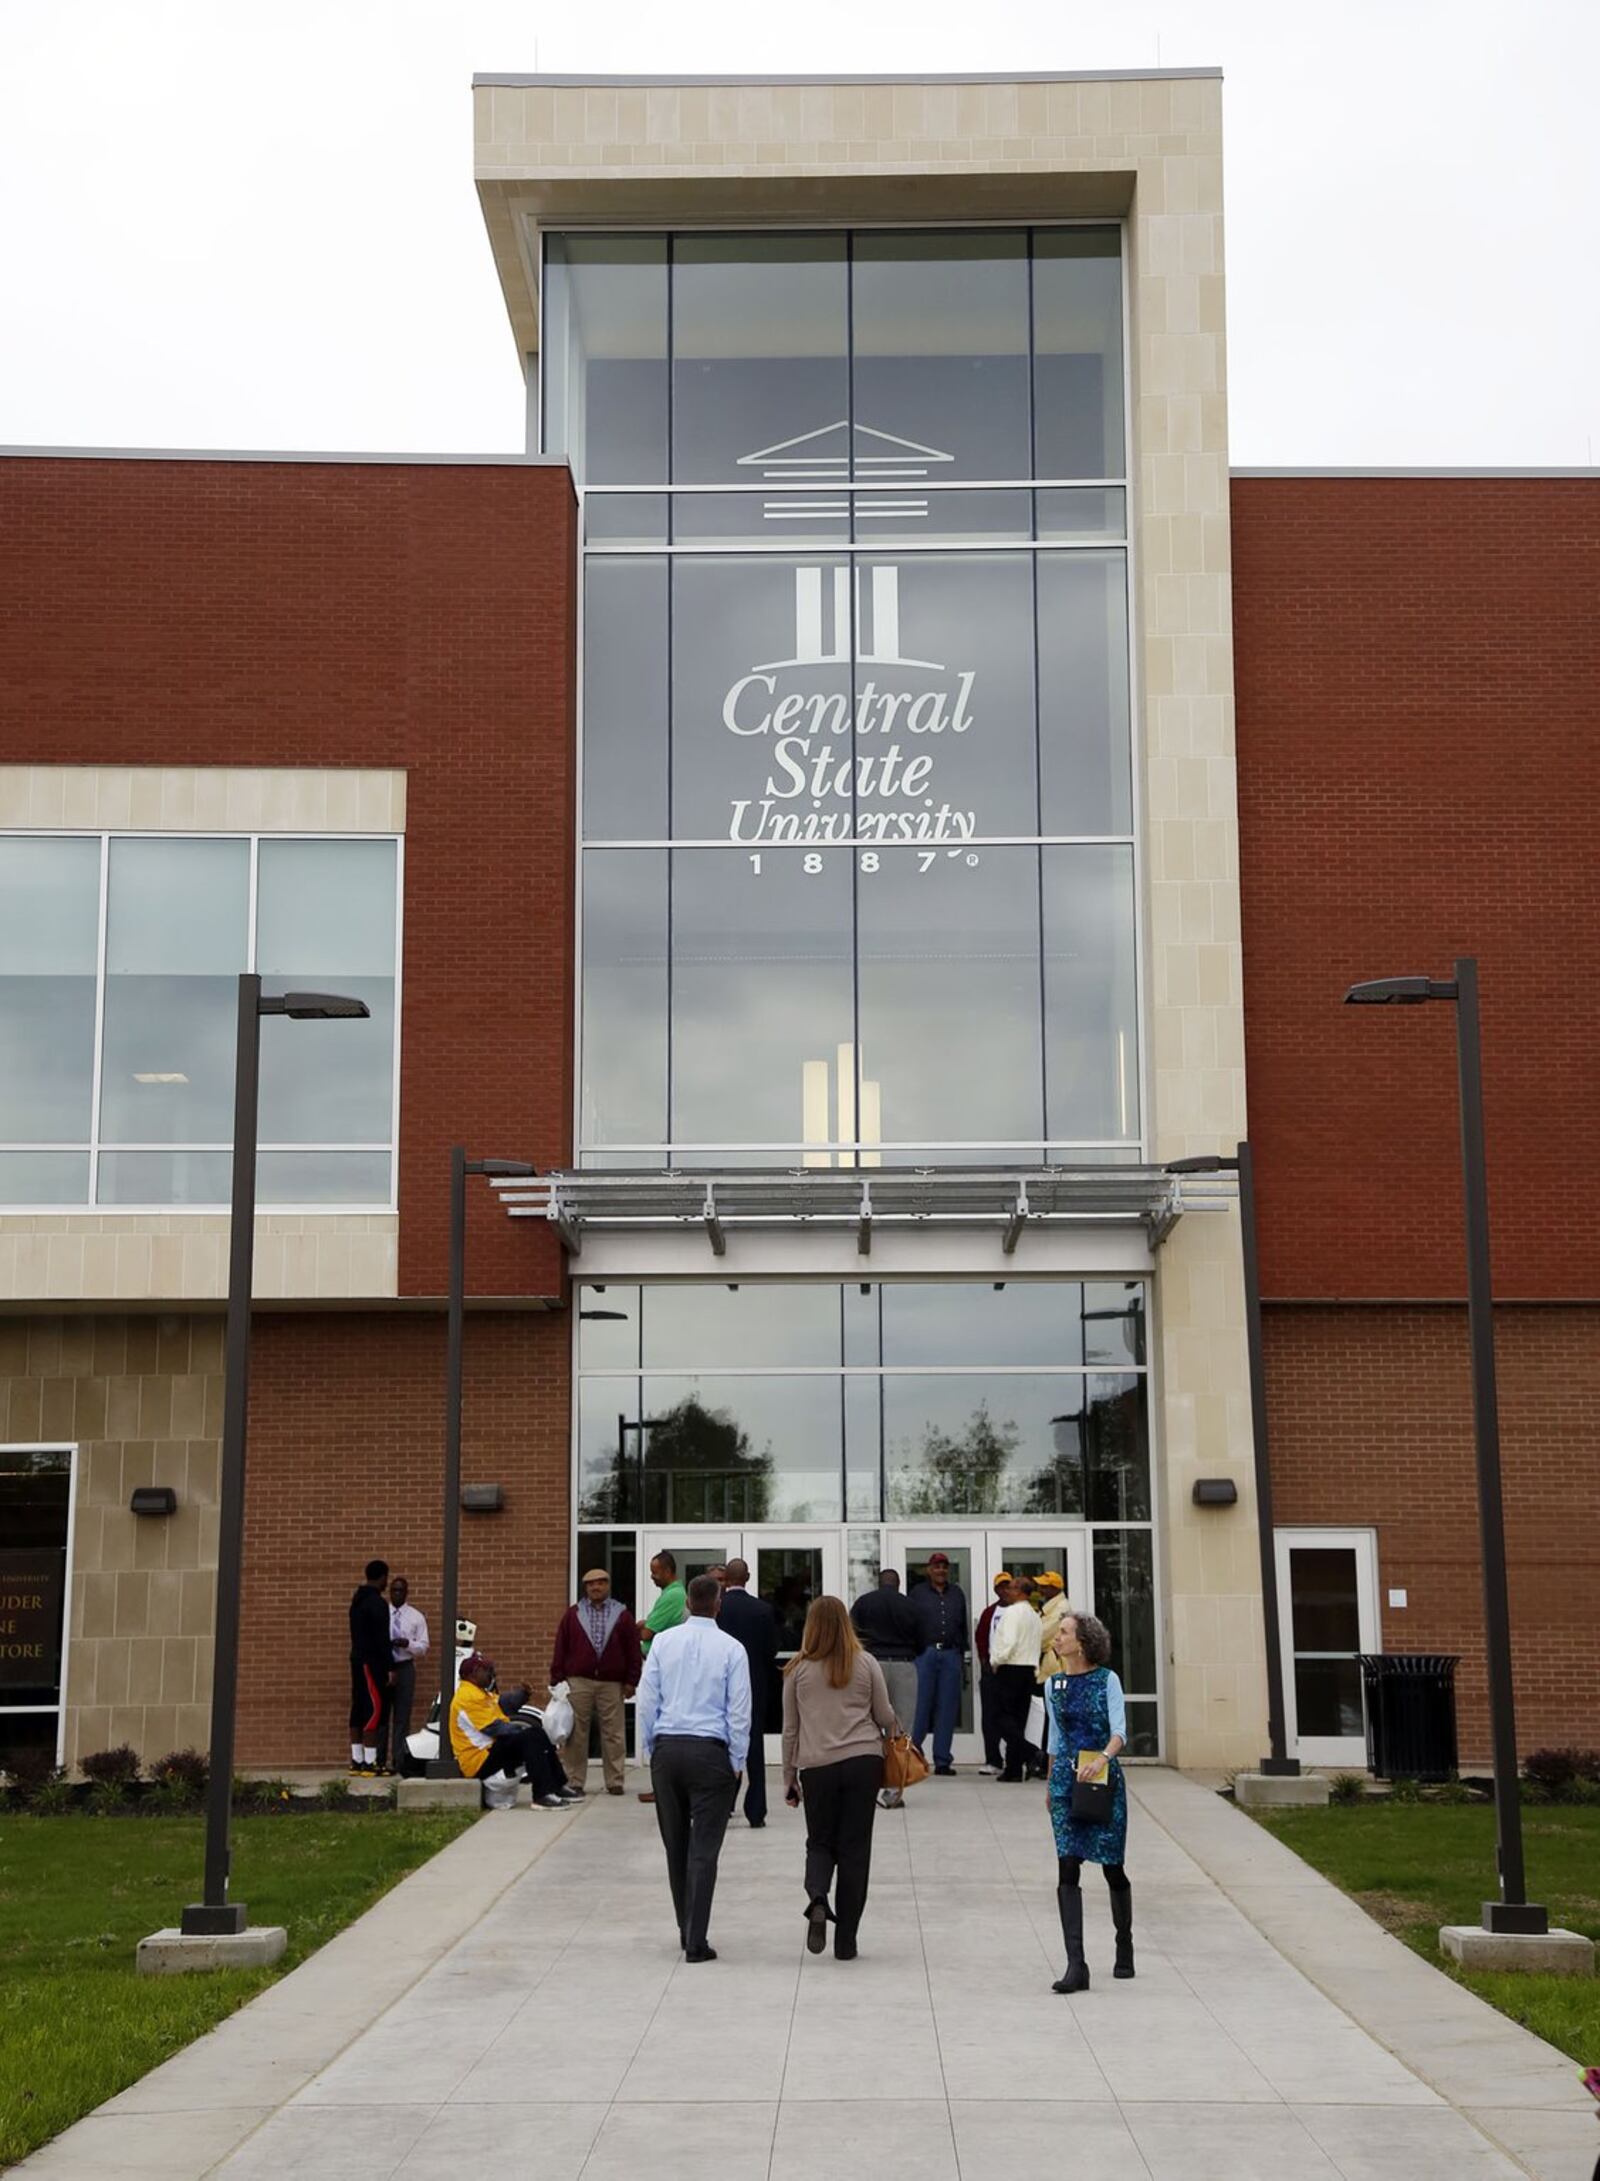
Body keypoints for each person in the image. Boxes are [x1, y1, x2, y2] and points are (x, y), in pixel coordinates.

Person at [636, 1571, 751, 1962]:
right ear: (718, 1603)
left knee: (676, 1845)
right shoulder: (733, 1649)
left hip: (668, 1750)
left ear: (687, 1602)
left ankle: (685, 1926)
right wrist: (736, 1760)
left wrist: (652, 1746)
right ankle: (696, 1940)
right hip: (710, 1752)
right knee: (704, 1850)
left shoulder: (663, 1642)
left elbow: (647, 1699)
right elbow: (739, 1712)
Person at [782, 1596, 899, 1961]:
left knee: (819, 1842)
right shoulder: (865, 1663)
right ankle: (846, 1941)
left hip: (817, 1766)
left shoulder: (797, 1669)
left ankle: (818, 1897)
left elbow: (790, 1729)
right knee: (854, 1850)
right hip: (863, 1762)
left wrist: (789, 1777)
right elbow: (883, 1714)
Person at [1043, 1610, 1131, 1992]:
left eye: (1063, 1633)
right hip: (1066, 1779)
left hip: (1102, 1776)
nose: (1057, 1639)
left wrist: (1101, 1760)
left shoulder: (1106, 1680)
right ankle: (1076, 1965)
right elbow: (1056, 1740)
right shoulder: (1054, 1685)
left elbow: (1120, 1732)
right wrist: (1049, 1783)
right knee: (1067, 1865)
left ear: (1083, 1642)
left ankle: (1123, 1941)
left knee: (1112, 1865)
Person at [550, 1568, 642, 1796]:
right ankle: (575, 1781)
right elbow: (561, 1646)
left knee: (614, 1732)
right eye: (591, 1584)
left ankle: (615, 1781)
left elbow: (632, 1649)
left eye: (600, 1583)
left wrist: (632, 1680)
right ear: (585, 1588)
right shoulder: (573, 1615)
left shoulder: (622, 1615)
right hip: (578, 1681)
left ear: (608, 1585)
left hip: (612, 1682)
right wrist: (557, 1678)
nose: (596, 1587)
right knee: (576, 1734)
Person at [449, 1650, 577, 1807]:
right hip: (478, 1761)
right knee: (530, 1737)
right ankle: (542, 1795)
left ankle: (557, 1786)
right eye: (486, 1671)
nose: (491, 1674)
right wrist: (521, 1733)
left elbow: (502, 1703)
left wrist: (522, 1695)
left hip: (490, 1751)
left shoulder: (479, 1692)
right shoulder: (467, 1697)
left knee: (537, 1733)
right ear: (474, 1673)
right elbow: (493, 1728)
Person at [715, 1558, 781, 1827]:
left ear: (725, 1580)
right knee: (753, 1746)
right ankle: (756, 1811)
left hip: (720, 1687)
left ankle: (723, 1804)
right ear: (748, 1577)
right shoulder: (763, 1610)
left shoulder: (717, 1610)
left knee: (721, 1745)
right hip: (754, 1686)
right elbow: (771, 1651)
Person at [850, 1568, 920, 1808]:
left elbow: (852, 1633)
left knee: (868, 1725)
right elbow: (923, 1637)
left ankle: (867, 1786)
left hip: (871, 1664)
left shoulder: (864, 1603)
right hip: (903, 1665)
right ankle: (893, 1792)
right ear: (898, 1584)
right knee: (901, 1728)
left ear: (878, 1583)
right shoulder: (910, 1605)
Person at [635, 1551, 689, 1805]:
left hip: (662, 1669)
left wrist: (641, 1627)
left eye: (655, 1571)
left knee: (657, 1723)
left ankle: (664, 1787)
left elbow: (647, 1633)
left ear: (668, 1571)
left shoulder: (673, 1595)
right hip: (665, 1666)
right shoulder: (671, 1595)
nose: (652, 1577)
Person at [908, 1551, 968, 1775]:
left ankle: (942, 1760)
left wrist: (963, 1655)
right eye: (936, 1567)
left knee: (947, 1708)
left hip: (951, 1654)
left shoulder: (957, 1593)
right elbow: (910, 1623)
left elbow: (962, 1626)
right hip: (926, 1654)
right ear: (928, 1570)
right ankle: (913, 1756)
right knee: (921, 1706)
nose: (940, 1570)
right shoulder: (917, 1593)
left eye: (944, 1567)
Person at [989, 1575, 1045, 1781]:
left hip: (1010, 1667)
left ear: (1021, 1592)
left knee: (999, 1716)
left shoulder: (1013, 1612)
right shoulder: (1034, 1614)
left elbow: (1009, 1642)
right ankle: (1013, 1769)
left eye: (1012, 1588)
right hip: (1028, 1669)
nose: (1008, 1591)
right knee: (1018, 1720)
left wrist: (997, 1660)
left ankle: (1030, 1752)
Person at [380, 1574, 429, 1777]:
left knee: (402, 1715)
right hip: (383, 1667)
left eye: (400, 1590)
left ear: (406, 1593)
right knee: (382, 1714)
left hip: (405, 1666)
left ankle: (398, 1760)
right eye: (393, 1590)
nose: (396, 1594)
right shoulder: (382, 1613)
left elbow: (424, 1647)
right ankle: (379, 1760)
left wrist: (407, 1644)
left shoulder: (416, 1616)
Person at [348, 1558, 392, 1777]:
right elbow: (382, 1639)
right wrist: (390, 1667)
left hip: (356, 1659)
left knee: (357, 1708)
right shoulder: (377, 1603)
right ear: (382, 1577)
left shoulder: (356, 1600)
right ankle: (371, 1762)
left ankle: (356, 1760)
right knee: (373, 1708)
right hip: (371, 1663)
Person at [974, 1571, 1013, 1776]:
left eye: (1009, 1586)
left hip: (1013, 1672)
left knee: (1011, 1718)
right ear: (996, 1590)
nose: (1006, 1590)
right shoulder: (990, 1612)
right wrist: (984, 1662)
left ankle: (1015, 1758)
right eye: (1002, 1587)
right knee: (989, 1717)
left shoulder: (1020, 1611)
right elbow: (981, 1638)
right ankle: (993, 1759)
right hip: (991, 1672)